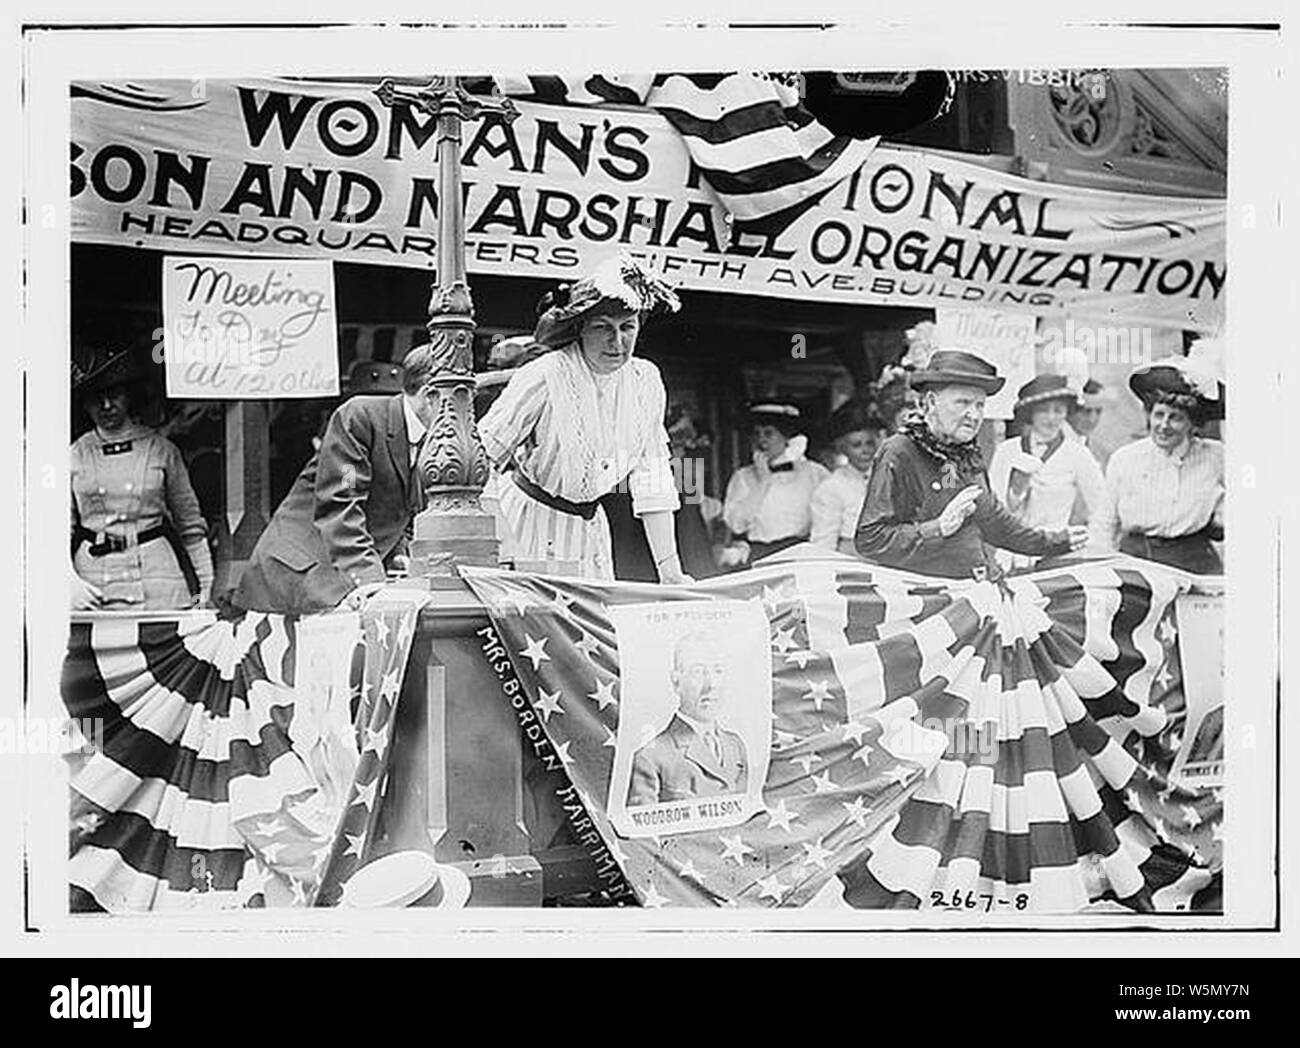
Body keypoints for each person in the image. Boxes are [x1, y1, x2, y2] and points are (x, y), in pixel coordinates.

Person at [476, 255, 689, 584]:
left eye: (627, 327)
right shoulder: (545, 375)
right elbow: (480, 461)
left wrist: (670, 571)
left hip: (590, 533)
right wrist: (506, 546)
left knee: (594, 629)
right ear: (579, 328)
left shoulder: (646, 380)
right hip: (527, 527)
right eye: (603, 327)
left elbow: (653, 478)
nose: (616, 342)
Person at [230, 343, 439, 614]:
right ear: (430, 395)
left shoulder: (431, 439)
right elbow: (344, 499)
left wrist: (404, 561)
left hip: (342, 573)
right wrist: (368, 579)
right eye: (460, 399)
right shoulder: (360, 417)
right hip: (302, 571)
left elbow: (403, 514)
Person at [855, 349, 1089, 579]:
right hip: (929, 601)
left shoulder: (962, 452)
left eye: (979, 405)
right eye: (963, 402)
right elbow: (871, 539)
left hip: (977, 589)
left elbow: (994, 522)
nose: (974, 415)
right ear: (930, 402)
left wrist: (1056, 541)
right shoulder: (899, 451)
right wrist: (937, 528)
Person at [69, 345, 214, 611]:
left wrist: (206, 587)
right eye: (96, 398)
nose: (106, 405)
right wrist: (66, 580)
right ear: (84, 403)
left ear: (128, 395)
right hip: (93, 583)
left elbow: (190, 526)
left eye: (114, 395)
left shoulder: (162, 450)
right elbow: (53, 534)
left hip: (158, 581)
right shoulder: (74, 455)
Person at [1091, 355, 1225, 574]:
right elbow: (1105, 523)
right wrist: (1098, 569)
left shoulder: (1214, 455)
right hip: (1137, 561)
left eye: (1176, 418)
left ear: (1192, 423)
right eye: (1159, 415)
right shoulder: (1125, 459)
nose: (1164, 425)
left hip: (1195, 563)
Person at [988, 373, 1109, 570]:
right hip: (1010, 554)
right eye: (1044, 410)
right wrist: (1016, 491)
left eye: (1058, 410)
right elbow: (993, 508)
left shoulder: (1077, 454)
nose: (1052, 418)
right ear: (1031, 413)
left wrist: (1090, 547)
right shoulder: (1007, 451)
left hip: (1055, 553)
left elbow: (1101, 508)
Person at [626, 631, 749, 806]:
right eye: (698, 672)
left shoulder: (736, 745)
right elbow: (645, 830)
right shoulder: (650, 757)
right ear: (676, 682)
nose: (711, 685)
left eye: (718, 671)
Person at [721, 402, 830, 566]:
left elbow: (828, 518)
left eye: (768, 433)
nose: (761, 440)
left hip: (801, 556)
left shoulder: (814, 473)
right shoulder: (742, 477)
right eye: (756, 434)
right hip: (759, 556)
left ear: (786, 437)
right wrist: (763, 481)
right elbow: (736, 525)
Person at [810, 400, 885, 554]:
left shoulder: (888, 478)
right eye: (856, 445)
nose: (865, 451)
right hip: (852, 557)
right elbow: (824, 541)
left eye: (869, 443)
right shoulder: (832, 487)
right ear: (843, 448)